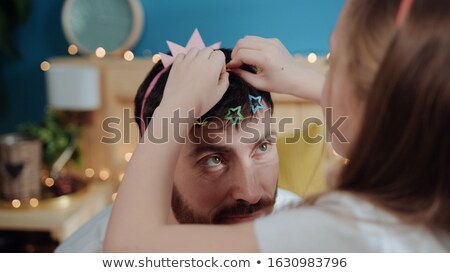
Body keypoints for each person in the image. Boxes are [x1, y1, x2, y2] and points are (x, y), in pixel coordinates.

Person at [104, 0, 450, 252]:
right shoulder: (431, 193)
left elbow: (129, 250)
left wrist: (176, 108)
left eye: (332, 61)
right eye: (213, 158)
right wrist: (306, 80)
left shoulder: (342, 229)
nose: (251, 193)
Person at [55, 48, 301, 252]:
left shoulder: (302, 228)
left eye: (262, 147)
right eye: (214, 159)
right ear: (158, 163)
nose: (251, 193)